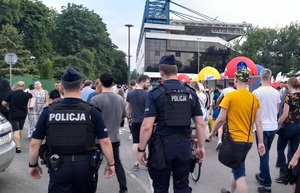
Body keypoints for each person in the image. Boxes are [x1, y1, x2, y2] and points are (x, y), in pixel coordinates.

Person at [28, 67, 115, 193]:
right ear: (81, 87)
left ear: (61, 87)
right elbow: (105, 141)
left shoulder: (49, 112)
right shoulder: (92, 111)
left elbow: (35, 143)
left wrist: (33, 165)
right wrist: (111, 164)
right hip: (85, 168)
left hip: (58, 166)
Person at [138, 54, 206, 193]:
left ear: (161, 72)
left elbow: (147, 126)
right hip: (183, 146)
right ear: (176, 71)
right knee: (182, 186)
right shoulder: (190, 93)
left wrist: (141, 149)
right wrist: (201, 147)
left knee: (160, 187)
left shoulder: (155, 93)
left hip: (161, 148)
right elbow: (200, 124)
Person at [209, 63, 265, 193]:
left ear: (235, 80)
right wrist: (260, 142)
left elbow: (221, 119)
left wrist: (212, 132)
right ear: (248, 82)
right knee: (238, 166)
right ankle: (230, 191)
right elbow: (258, 122)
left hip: (234, 140)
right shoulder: (254, 98)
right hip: (248, 140)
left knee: (240, 173)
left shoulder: (230, 96)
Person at [90, 73, 128, 193]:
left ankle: (92, 188)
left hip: (98, 139)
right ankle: (123, 188)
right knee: (117, 162)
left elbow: (91, 119)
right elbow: (123, 117)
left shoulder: (95, 99)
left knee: (93, 164)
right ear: (112, 83)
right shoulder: (119, 99)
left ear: (100, 82)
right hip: (114, 137)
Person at [252, 68, 281, 193]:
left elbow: (253, 112)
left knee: (263, 154)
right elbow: (277, 110)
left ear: (260, 78)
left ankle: (267, 185)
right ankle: (262, 175)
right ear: (271, 78)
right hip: (273, 126)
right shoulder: (276, 92)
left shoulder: (256, 92)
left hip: (261, 126)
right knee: (265, 152)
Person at [276, 77, 300, 183]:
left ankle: (283, 174)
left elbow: (285, 115)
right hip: (298, 127)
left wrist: (278, 123)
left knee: (280, 148)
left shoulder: (289, 97)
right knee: (294, 150)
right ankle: (292, 174)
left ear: (290, 86)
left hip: (289, 126)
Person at [126, 74, 150, 172]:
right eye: (148, 82)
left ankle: (136, 163)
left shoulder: (130, 93)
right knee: (147, 142)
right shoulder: (147, 94)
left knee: (136, 142)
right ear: (143, 82)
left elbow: (127, 107)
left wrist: (129, 117)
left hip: (135, 121)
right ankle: (147, 161)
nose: (148, 84)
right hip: (145, 122)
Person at [2, 81, 32, 153]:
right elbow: (30, 102)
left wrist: (6, 105)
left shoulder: (11, 94)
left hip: (13, 114)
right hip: (23, 114)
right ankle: (17, 143)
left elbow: (4, 103)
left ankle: (18, 147)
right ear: (24, 86)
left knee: (16, 130)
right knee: (20, 130)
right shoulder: (28, 95)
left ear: (16, 86)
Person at [212, 84, 224, 151]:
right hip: (225, 110)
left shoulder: (216, 94)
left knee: (217, 123)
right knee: (222, 125)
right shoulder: (226, 93)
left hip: (217, 109)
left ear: (217, 88)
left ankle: (218, 136)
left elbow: (213, 102)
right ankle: (221, 137)